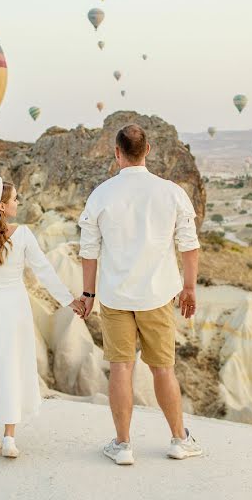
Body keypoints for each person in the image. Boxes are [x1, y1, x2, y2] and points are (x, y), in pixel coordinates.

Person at [77, 123, 203, 465]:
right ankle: (179, 439)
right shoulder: (171, 192)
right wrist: (189, 287)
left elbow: (89, 250)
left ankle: (123, 445)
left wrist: (87, 293)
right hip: (157, 295)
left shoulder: (101, 195)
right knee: (163, 370)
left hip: (116, 297)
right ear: (147, 151)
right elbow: (189, 246)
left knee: (121, 367)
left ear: (117, 153)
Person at [0, 175, 87, 458]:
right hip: (13, 306)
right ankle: (9, 437)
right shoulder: (23, 235)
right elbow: (45, 272)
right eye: (14, 200)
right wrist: (69, 300)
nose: (18, 204)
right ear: (2, 206)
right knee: (10, 364)